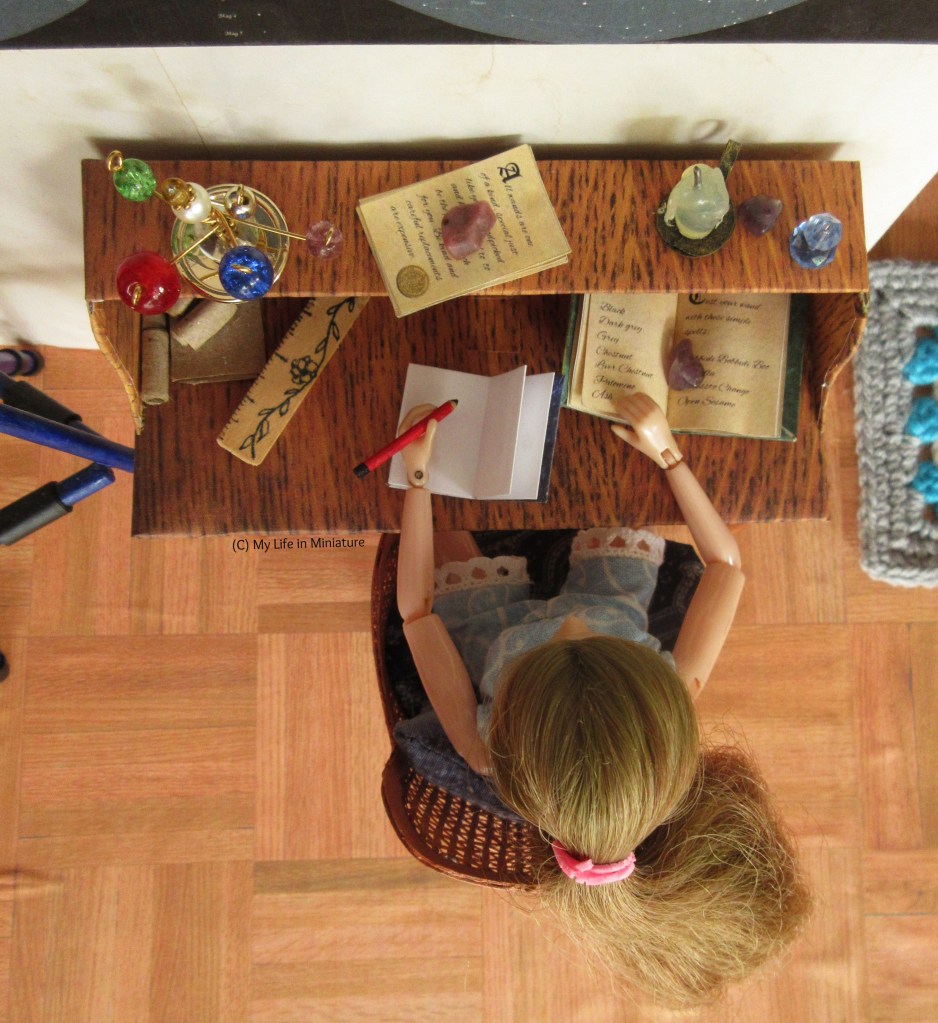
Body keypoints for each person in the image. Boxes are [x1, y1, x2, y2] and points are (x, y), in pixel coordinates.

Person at [395, 392, 810, 1008]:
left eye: (563, 641)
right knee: (611, 483)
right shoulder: (664, 697)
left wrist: (419, 478)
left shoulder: (487, 746)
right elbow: (727, 564)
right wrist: (667, 455)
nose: (570, 628)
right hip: (608, 603)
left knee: (456, 558)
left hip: (496, 640)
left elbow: (417, 610)